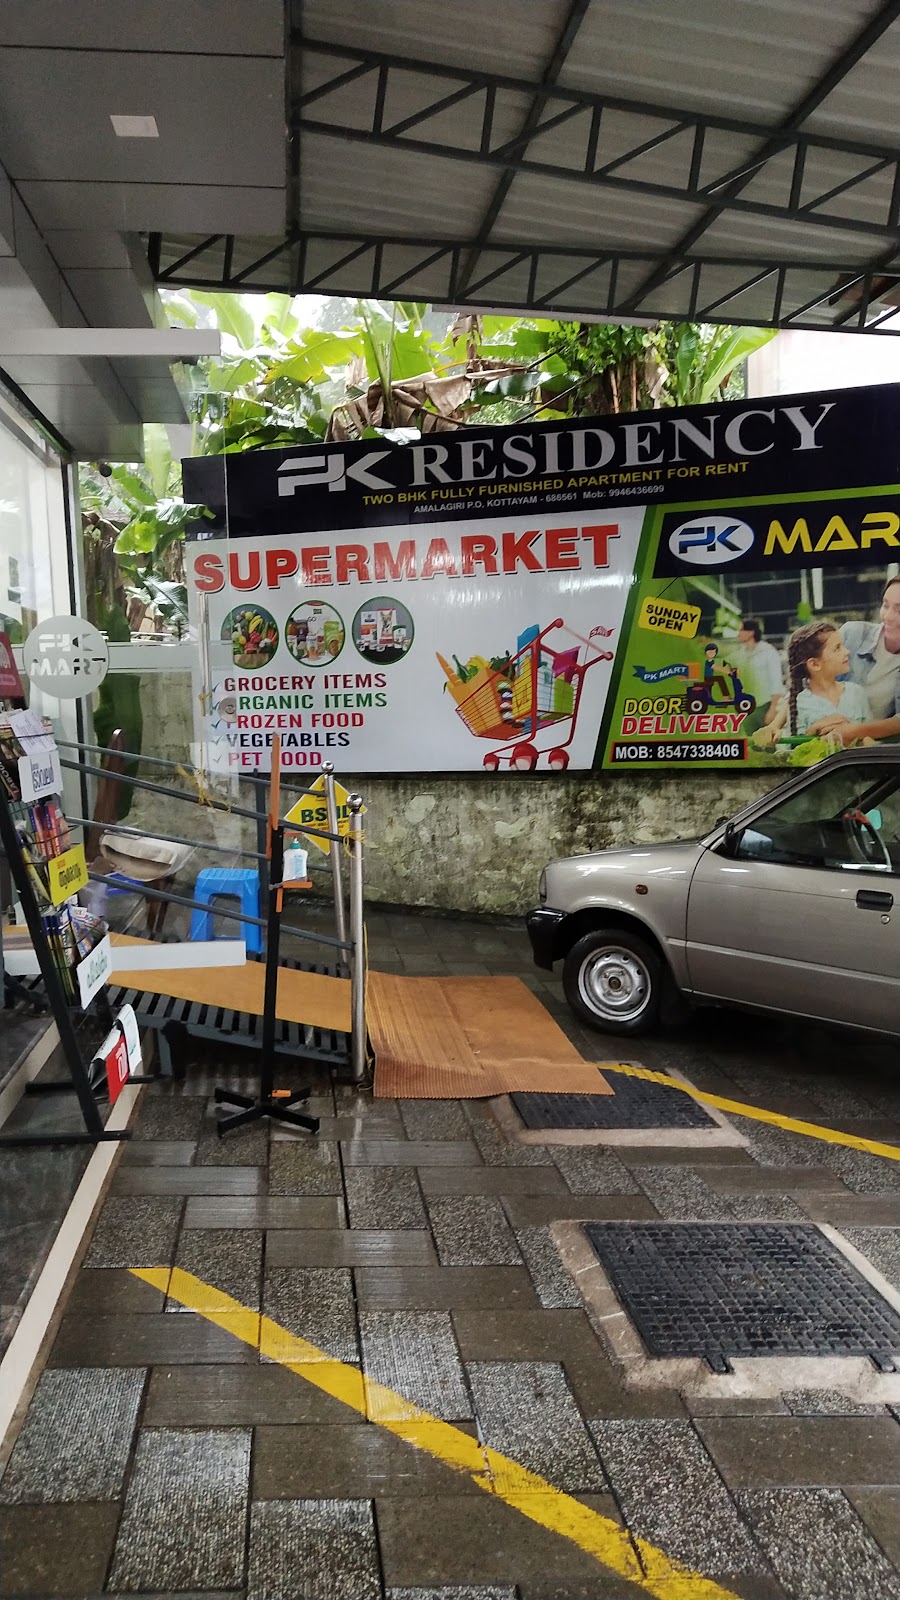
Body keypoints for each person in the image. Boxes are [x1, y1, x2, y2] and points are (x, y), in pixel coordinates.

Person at [773, 620, 870, 738]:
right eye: (837, 648)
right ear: (814, 664)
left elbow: (870, 737)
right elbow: (794, 746)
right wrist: (812, 732)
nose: (847, 652)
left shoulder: (856, 692)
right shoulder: (800, 704)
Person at [834, 575, 900, 742]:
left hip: (871, 750)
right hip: (824, 737)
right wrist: (775, 724)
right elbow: (806, 681)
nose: (888, 616)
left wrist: (854, 732)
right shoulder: (852, 634)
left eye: (899, 610)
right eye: (885, 605)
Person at [735, 618, 784, 718]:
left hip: (764, 705)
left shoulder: (768, 652)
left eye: (741, 630)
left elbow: (776, 682)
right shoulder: (740, 654)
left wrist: (773, 709)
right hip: (745, 705)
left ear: (751, 632)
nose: (738, 634)